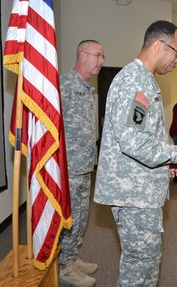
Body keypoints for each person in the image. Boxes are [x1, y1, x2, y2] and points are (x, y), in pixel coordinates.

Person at [93, 20, 177, 287]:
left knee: (143, 263)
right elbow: (134, 142)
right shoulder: (136, 82)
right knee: (140, 268)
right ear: (158, 45)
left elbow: (140, 139)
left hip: (139, 190)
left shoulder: (141, 79)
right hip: (134, 195)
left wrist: (164, 163)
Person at [59, 39, 105, 287]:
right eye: (97, 55)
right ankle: (65, 267)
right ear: (82, 55)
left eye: (102, 56)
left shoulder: (88, 89)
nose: (101, 61)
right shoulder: (64, 85)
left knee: (81, 217)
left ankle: (72, 258)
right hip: (68, 167)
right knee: (70, 217)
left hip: (84, 165)